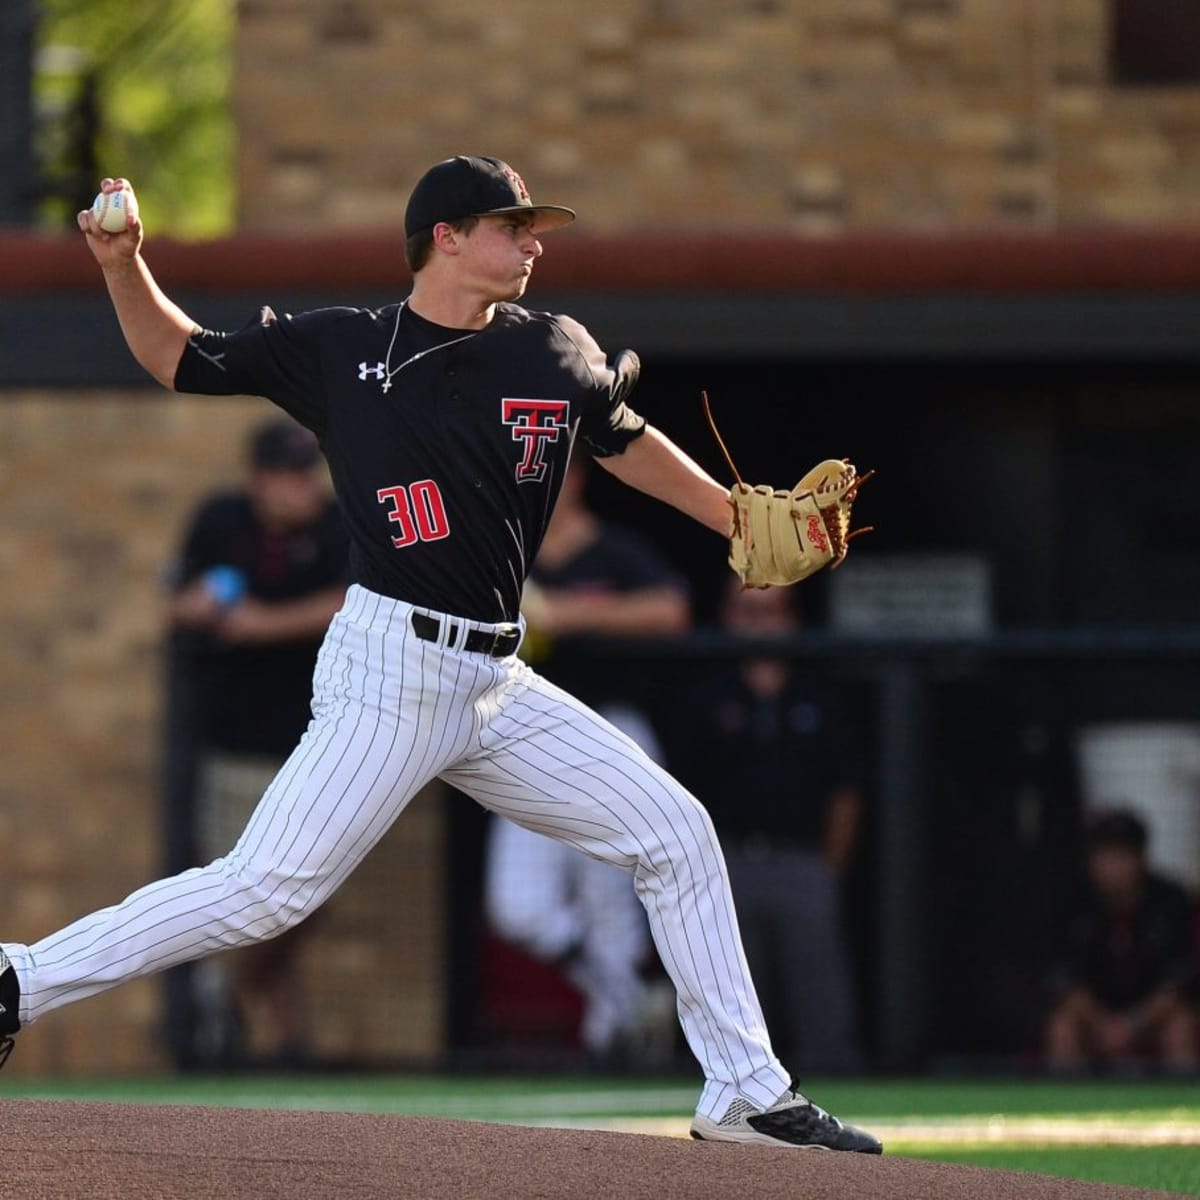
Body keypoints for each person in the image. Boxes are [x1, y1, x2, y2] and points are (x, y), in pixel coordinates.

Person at [0, 158, 880, 1153]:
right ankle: (15, 981)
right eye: (512, 227)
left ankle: (746, 1094)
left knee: (674, 832)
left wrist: (730, 515)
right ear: (446, 238)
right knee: (266, 890)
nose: (535, 243)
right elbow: (179, 357)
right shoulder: (344, 348)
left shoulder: (554, 347)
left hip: (497, 681)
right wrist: (123, 265)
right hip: (392, 668)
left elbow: (621, 437)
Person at [484, 459, 689, 1063]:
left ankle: (616, 1045)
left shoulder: (614, 551)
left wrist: (569, 614)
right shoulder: (506, 549)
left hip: (611, 726)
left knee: (610, 897)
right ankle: (625, 993)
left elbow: (671, 611)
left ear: (575, 480)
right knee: (516, 904)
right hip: (519, 731)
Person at [168, 416, 349, 1066]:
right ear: (258, 480)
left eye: (307, 474)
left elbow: (349, 600)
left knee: (306, 896)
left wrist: (262, 624)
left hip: (315, 746)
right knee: (236, 892)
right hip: (233, 743)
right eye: (287, 476)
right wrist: (205, 609)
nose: (302, 488)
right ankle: (257, 1034)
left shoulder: (335, 524)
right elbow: (175, 601)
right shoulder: (222, 519)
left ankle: (242, 996)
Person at [672, 578, 866, 1073]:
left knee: (819, 998)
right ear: (727, 618)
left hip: (803, 864)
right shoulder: (703, 697)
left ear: (791, 619)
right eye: (747, 612)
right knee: (733, 999)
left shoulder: (819, 696)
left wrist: (828, 868)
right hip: (728, 867)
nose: (760, 624)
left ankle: (833, 1098)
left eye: (771, 612)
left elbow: (845, 793)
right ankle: (738, 1096)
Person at [1044, 809, 1197, 1074]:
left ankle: (1182, 1110)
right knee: (1062, 1027)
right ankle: (1067, 1110)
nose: (1113, 867)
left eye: (1122, 856)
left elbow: (1177, 983)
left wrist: (1132, 1025)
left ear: (1141, 859)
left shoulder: (1172, 901)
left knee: (1181, 1026)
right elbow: (1065, 982)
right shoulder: (1070, 901)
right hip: (1093, 1018)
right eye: (1105, 856)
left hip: (1151, 1018)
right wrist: (1103, 1025)